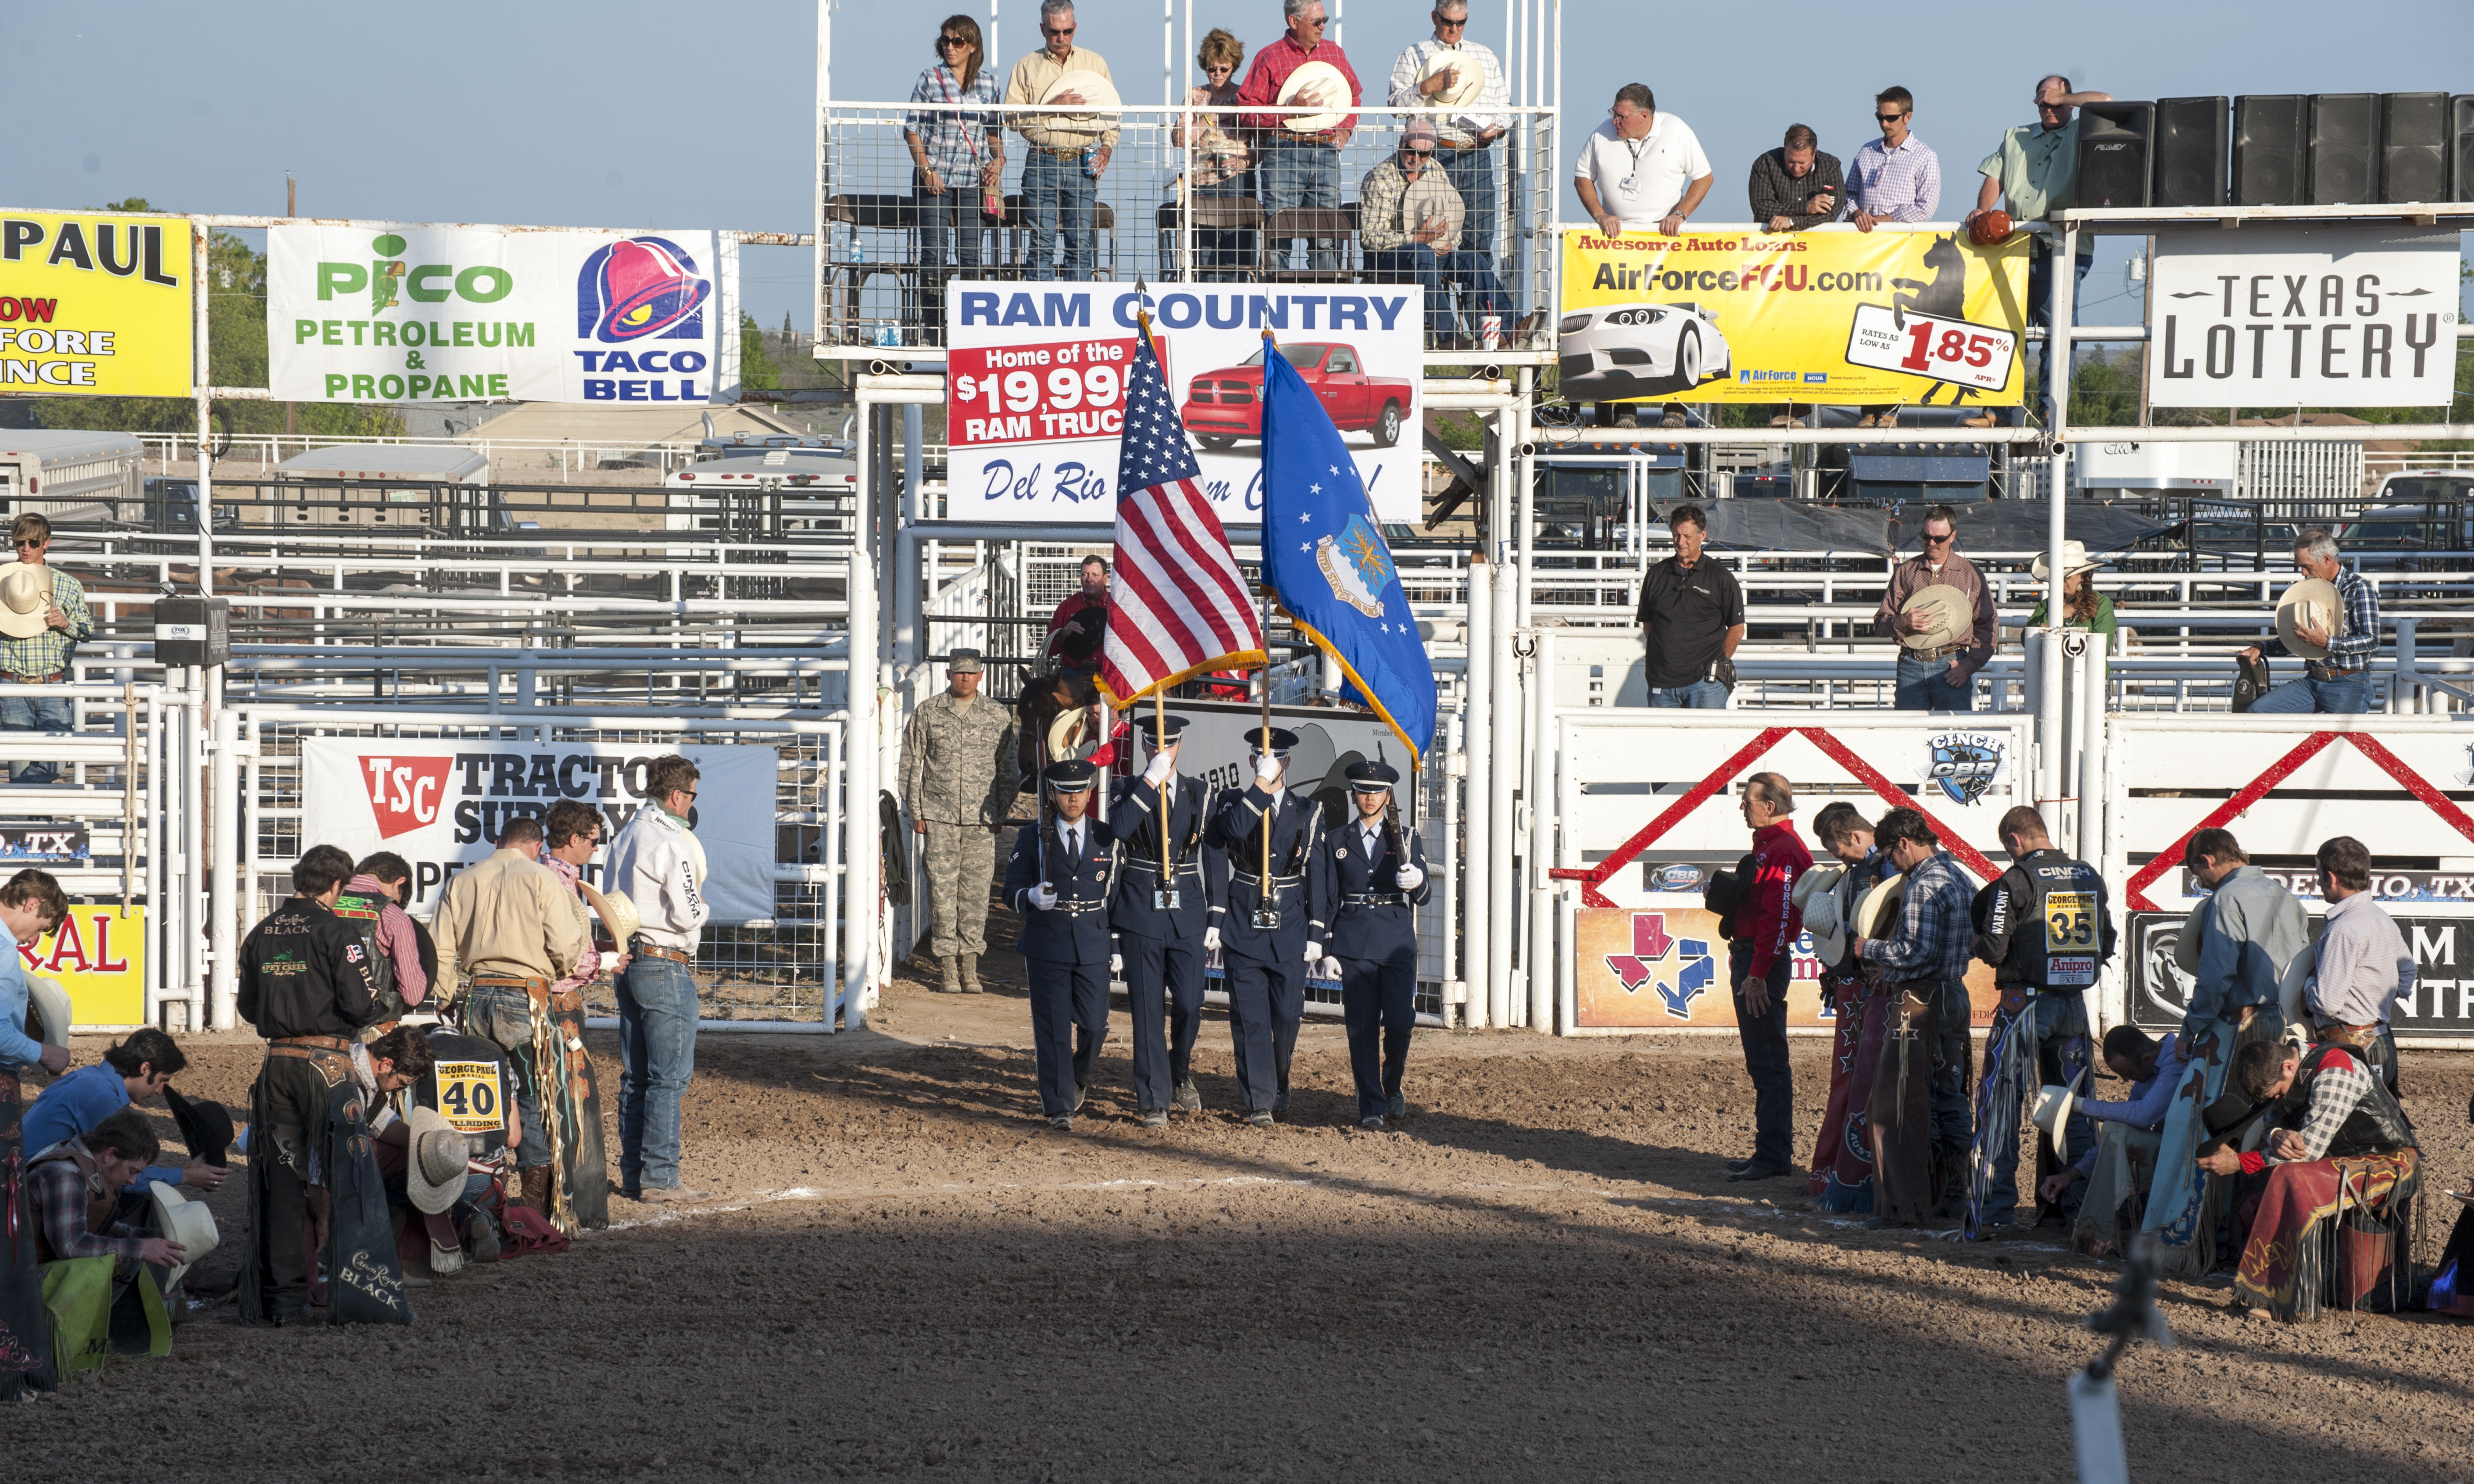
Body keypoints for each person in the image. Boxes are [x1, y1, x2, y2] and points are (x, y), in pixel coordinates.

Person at [2141, 826, 2309, 1280]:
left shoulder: (2225, 900)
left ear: (2208, 859)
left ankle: (2187, 1242)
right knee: (2261, 1127)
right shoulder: (2284, 895)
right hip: (2282, 1022)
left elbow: (2215, 976)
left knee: (2202, 1121)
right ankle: (2245, 1244)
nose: (2201, 880)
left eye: (2198, 870)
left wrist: (2189, 1028)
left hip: (2235, 1024)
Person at [234, 843, 384, 1325]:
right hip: (329, 1067)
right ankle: (355, 1291)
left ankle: (281, 1302)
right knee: (346, 1175)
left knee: (280, 1181)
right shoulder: (338, 930)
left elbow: (248, 1008)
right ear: (338, 885)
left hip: (277, 1063)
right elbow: (363, 1005)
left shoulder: (261, 932)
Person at [1964, 805, 2112, 1238]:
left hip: (2024, 1005)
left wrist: (1977, 941)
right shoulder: (2089, 875)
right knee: (2075, 1107)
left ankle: (1994, 1208)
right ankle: (2078, 1207)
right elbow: (2106, 942)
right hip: (2074, 1006)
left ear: (2014, 840)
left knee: (2001, 1104)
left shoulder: (2015, 880)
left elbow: (1993, 948)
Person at [432, 814, 587, 1217]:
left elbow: (441, 949)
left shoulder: (463, 880)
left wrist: (445, 993)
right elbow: (566, 944)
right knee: (533, 1096)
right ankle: (535, 1201)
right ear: (537, 847)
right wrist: (559, 967)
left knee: (478, 1095)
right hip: (525, 998)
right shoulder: (541, 878)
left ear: (499, 841)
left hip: (476, 995)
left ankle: (477, 1190)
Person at [2204, 1038, 2419, 1322]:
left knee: (2367, 1297)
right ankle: (2292, 1292)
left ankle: (2450, 1286)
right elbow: (2272, 1127)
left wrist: (2241, 1162)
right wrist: (2277, 1134)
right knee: (2257, 1204)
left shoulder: (2336, 1071)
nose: (2279, 1100)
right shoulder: (2288, 1065)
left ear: (2289, 1066)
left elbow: (2307, 1155)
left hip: (2388, 1165)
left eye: (2279, 1093)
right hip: (2340, 1167)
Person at [1851, 809, 1977, 1226]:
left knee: (1903, 1097)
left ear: (1904, 843)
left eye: (1891, 852)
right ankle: (1955, 1189)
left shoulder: (1923, 883)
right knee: (1950, 1095)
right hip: (1955, 992)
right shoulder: (1958, 876)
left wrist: (1868, 949)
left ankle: (1911, 1199)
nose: (1893, 862)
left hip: (1925, 1002)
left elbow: (1914, 952)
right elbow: (1974, 939)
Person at [1205, 727, 1331, 1126]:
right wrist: (1259, 785)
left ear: (1287, 762)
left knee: (1288, 1016)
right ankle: (1260, 1101)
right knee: (1251, 1017)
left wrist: (1316, 932)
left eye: (1274, 759)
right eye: (1260, 759)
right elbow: (1235, 830)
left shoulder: (1308, 811)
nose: (1268, 764)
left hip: (1290, 922)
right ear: (1251, 762)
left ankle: (1279, 1078)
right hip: (1244, 921)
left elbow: (1319, 875)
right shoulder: (1231, 803)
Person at [605, 754, 712, 1204]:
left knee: (638, 1076)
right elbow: (688, 910)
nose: (690, 805)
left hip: (629, 956)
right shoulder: (674, 840)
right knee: (668, 1077)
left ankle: (636, 1174)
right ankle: (660, 1177)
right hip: (664, 959)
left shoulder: (626, 832)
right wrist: (705, 912)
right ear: (676, 795)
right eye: (690, 796)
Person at [1100, 716, 1216, 1128]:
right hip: (1140, 908)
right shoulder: (1126, 789)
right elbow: (1117, 829)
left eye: (1170, 746)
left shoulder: (1199, 792)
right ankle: (1153, 1098)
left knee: (1190, 1002)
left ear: (1180, 745)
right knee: (1148, 1009)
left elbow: (1213, 854)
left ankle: (1179, 1071)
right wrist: (1149, 782)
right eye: (1155, 746)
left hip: (1186, 909)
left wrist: (1216, 912)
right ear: (1146, 746)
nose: (1163, 752)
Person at [1967, 74, 2110, 396]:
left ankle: (2051, 409)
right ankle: (1998, 411)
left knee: (2055, 332)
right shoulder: (2015, 136)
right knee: (2002, 329)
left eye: (2055, 100)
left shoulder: (2081, 132)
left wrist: (2062, 99)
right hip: (2015, 247)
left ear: (2069, 102)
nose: (2048, 106)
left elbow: (2106, 102)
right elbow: (1996, 175)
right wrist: (1983, 210)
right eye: (2041, 100)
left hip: (2060, 245)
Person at [1314, 760, 1430, 1131]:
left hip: (1395, 940)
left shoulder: (1407, 838)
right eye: (1363, 790)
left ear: (1388, 795)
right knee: (1361, 1028)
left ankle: (1392, 1083)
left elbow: (1424, 897)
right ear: (1353, 794)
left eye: (1376, 791)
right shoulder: (1336, 841)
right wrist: (1328, 947)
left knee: (1400, 1022)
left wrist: (1417, 880)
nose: (1369, 797)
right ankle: (1371, 1105)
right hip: (1353, 942)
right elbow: (1330, 898)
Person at [1005, 759, 1118, 1130]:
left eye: (1080, 791)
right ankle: (1058, 1107)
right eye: (1065, 792)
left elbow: (1114, 893)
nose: (1073, 799)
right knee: (1053, 1028)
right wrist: (1030, 897)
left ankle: (1078, 1079)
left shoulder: (1106, 836)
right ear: (1052, 795)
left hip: (1092, 938)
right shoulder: (1032, 837)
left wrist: (1115, 943)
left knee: (1095, 1024)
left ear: (1090, 792)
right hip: (1048, 941)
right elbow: (1010, 891)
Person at [902, 649, 1023, 995]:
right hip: (938, 817)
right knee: (941, 891)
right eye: (959, 673)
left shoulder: (997, 715)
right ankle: (947, 968)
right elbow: (912, 762)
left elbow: (1009, 769)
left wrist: (999, 811)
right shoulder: (928, 712)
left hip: (980, 820)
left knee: (975, 892)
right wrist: (917, 810)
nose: (965, 679)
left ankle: (970, 967)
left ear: (981, 676)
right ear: (949, 675)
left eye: (971, 673)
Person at [1804, 804, 1894, 1214]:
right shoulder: (1876, 865)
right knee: (1856, 1078)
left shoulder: (1886, 865)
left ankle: (1839, 1171)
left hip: (1868, 985)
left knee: (1856, 1078)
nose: (1838, 859)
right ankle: (1843, 1170)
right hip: (1857, 983)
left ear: (1857, 837)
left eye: (1839, 850)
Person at [1722, 773, 1810, 1182]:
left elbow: (1777, 920)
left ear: (1769, 806)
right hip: (1757, 959)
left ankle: (1773, 1154)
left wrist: (1757, 973)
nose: (1743, 808)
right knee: (1765, 1060)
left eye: (1748, 801)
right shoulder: (1776, 847)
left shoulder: (1781, 850)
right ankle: (1771, 1151)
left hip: (1760, 962)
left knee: (1768, 1061)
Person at [534, 798, 616, 1232]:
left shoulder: (547, 875)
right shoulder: (557, 881)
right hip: (557, 1004)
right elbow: (563, 954)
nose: (595, 849)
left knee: (547, 1102)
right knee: (574, 1100)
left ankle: (555, 1199)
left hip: (537, 1001)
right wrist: (603, 962)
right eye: (592, 841)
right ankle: (579, 1206)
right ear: (574, 839)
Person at [26, 1108, 187, 1326]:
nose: (133, 1181)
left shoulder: (85, 1166)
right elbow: (72, 1246)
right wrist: (141, 1249)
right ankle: (54, 1333)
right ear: (110, 1154)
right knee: (112, 1262)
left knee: (129, 1254)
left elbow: (101, 1225)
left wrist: (157, 1238)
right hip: (19, 1283)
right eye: (132, 1170)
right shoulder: (66, 1173)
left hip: (30, 1270)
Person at [0, 867, 66, 1396]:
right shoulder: (3, 949)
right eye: (41, 925)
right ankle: (13, 1354)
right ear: (27, 903)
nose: (37, 938)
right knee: (7, 1219)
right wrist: (43, 1051)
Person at [1358, 120, 1511, 347]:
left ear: (1431, 152)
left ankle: (1512, 326)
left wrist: (1449, 241)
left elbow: (1452, 220)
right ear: (1401, 143)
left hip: (1430, 253)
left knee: (1475, 261)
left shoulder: (1437, 171)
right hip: (1389, 257)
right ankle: (1449, 336)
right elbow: (1370, 237)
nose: (1417, 159)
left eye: (1424, 154)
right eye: (1412, 151)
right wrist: (1414, 239)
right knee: (1422, 253)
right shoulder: (1380, 179)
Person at [1238, 0, 1362, 274]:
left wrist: (1346, 129)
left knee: (1327, 236)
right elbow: (1247, 112)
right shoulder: (1269, 57)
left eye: (1324, 19)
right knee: (1278, 234)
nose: (1323, 26)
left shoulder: (1335, 53)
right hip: (1283, 149)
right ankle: (1274, 301)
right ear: (1294, 22)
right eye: (1317, 21)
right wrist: (1289, 110)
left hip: (1326, 151)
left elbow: (1354, 97)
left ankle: (1328, 301)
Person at [23, 1028, 226, 1194]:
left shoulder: (93, 1080)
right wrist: (186, 1175)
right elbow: (121, 1175)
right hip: (25, 1189)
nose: (160, 1091)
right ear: (145, 1068)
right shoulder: (102, 1097)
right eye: (162, 1080)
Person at [2045, 1024, 2186, 1256]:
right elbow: (2121, 1130)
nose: (2127, 1080)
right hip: (2171, 1150)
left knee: (2117, 1130)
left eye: (2128, 1074)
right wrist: (2070, 1176)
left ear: (2147, 1059)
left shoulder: (2175, 1061)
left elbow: (2143, 1115)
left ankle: (2116, 1226)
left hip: (2189, 1155)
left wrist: (2080, 1105)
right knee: (2115, 1131)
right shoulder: (2151, 1068)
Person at [1388, 1, 1509, 266]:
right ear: (1434, 18)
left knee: (1480, 241)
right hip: (1434, 156)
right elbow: (1395, 107)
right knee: (1435, 240)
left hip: (1477, 155)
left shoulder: (1485, 56)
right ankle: (1436, 308)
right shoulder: (1413, 54)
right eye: (1448, 22)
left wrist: (1496, 131)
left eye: (1461, 23)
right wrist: (1426, 87)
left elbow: (1506, 112)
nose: (1454, 29)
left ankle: (1480, 309)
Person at [905, 15, 1006, 334]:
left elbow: (994, 133)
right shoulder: (929, 79)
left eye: (957, 41)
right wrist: (926, 170)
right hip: (935, 180)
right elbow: (911, 129)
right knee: (934, 253)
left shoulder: (989, 84)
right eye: (946, 41)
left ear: (972, 45)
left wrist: (999, 161)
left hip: (972, 181)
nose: (950, 47)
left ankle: (971, 329)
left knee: (971, 254)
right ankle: (934, 328)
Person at [1003, 0, 1117, 282]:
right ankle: (1039, 317)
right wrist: (1053, 105)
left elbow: (1113, 113)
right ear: (1043, 29)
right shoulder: (1026, 66)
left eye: (1067, 31)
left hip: (1083, 160)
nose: (1061, 38)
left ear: (1075, 28)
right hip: (1042, 159)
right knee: (1041, 244)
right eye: (1055, 32)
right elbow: (1012, 118)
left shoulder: (1096, 63)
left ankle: (1078, 319)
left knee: (1080, 246)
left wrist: (1107, 148)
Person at [2302, 835, 2411, 1094]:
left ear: (2332, 877)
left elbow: (2326, 1003)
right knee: (2382, 1128)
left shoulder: (2342, 929)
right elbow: (2407, 972)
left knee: (2348, 1129)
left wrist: (2306, 984)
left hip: (2349, 1046)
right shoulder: (2382, 919)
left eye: (2320, 876)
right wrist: (2376, 996)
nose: (2319, 882)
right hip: (2380, 1039)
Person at [2240, 528, 2380, 715]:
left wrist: (2326, 642)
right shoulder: (2312, 586)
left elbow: (2371, 640)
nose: (2303, 572)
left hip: (2348, 683)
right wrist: (2262, 648)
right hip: (2314, 680)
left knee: (2340, 741)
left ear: (2327, 559)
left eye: (2306, 566)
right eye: (2299, 566)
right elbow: (2298, 638)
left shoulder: (2358, 589)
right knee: (2257, 712)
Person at [0, 513, 94, 786]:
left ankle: (19, 812)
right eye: (20, 543)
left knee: (56, 758)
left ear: (46, 543)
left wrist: (65, 623)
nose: (26, 549)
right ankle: (38, 823)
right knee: (23, 763)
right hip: (12, 682)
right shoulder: (4, 584)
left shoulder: (68, 585)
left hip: (51, 682)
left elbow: (87, 631)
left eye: (33, 542)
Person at [1875, 505, 1996, 713]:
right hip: (1911, 662)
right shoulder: (1906, 572)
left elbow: (1988, 626)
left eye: (1939, 538)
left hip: (1952, 666)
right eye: (1926, 536)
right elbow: (1880, 622)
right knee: (1907, 734)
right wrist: (1902, 622)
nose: (1931, 543)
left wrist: (1967, 667)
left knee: (1954, 735)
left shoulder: (1971, 574)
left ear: (1952, 536)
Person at [1633, 503, 1744, 709]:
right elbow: (1648, 623)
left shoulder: (1721, 578)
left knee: (1707, 742)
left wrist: (1717, 664)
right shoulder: (1656, 575)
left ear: (1703, 535)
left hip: (1706, 685)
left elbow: (1737, 630)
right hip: (1662, 684)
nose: (1680, 542)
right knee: (1663, 742)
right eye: (1676, 535)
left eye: (1687, 536)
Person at [1573, 83, 1710, 238]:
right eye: (1613, 113)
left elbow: (1704, 178)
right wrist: (1600, 215)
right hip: (1615, 239)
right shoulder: (1601, 134)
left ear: (1644, 116)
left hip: (1666, 238)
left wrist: (1679, 215)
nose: (1615, 121)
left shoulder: (1676, 130)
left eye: (1621, 117)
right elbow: (1582, 176)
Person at [1175, 30, 1254, 277]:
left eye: (1224, 68)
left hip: (1238, 181)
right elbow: (1179, 139)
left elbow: (1263, 144)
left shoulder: (1245, 97)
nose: (1218, 74)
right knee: (1205, 254)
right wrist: (1211, 117)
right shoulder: (1196, 96)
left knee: (1237, 255)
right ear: (1205, 67)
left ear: (1234, 66)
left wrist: (1243, 162)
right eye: (1212, 69)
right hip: (1202, 182)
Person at [335, 852, 431, 1034]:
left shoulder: (322, 902)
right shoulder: (393, 915)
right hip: (369, 1028)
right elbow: (412, 995)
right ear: (399, 883)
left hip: (314, 1021)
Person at [1842, 86, 1939, 232]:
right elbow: (1849, 193)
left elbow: (1926, 208)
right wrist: (1858, 214)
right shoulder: (1866, 151)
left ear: (1907, 117)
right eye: (1880, 117)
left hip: (1899, 245)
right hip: (1861, 242)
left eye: (1891, 118)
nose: (1884, 123)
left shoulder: (1925, 157)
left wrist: (1888, 219)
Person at [1747, 123, 1842, 233]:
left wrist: (1793, 222)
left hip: (1818, 246)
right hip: (1774, 246)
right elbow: (1762, 211)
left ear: (1814, 154)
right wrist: (1806, 208)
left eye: (1802, 163)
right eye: (1791, 161)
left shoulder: (1830, 165)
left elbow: (1833, 213)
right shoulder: (1765, 164)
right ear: (1785, 149)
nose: (1796, 169)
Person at [2021, 539, 2116, 639]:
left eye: (2066, 577)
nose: (2060, 582)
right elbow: (2025, 638)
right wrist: (2059, 615)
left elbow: (2101, 645)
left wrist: (2051, 622)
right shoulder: (2047, 604)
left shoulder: (2102, 603)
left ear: (2082, 575)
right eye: (2056, 577)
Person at [1047, 555, 1111, 673]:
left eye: (1095, 575)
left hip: (1108, 674)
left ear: (1105, 578)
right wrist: (1064, 634)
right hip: (1074, 673)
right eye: (1084, 574)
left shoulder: (1117, 606)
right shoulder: (1067, 606)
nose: (1089, 579)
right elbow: (1049, 649)